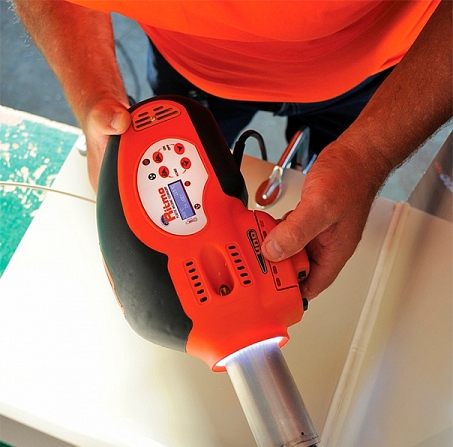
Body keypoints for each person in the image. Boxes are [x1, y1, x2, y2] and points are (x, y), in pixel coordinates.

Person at [13, 0, 452, 301]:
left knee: (327, 172)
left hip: (378, 73)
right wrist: (93, 91)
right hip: (190, 76)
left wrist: (368, 153)